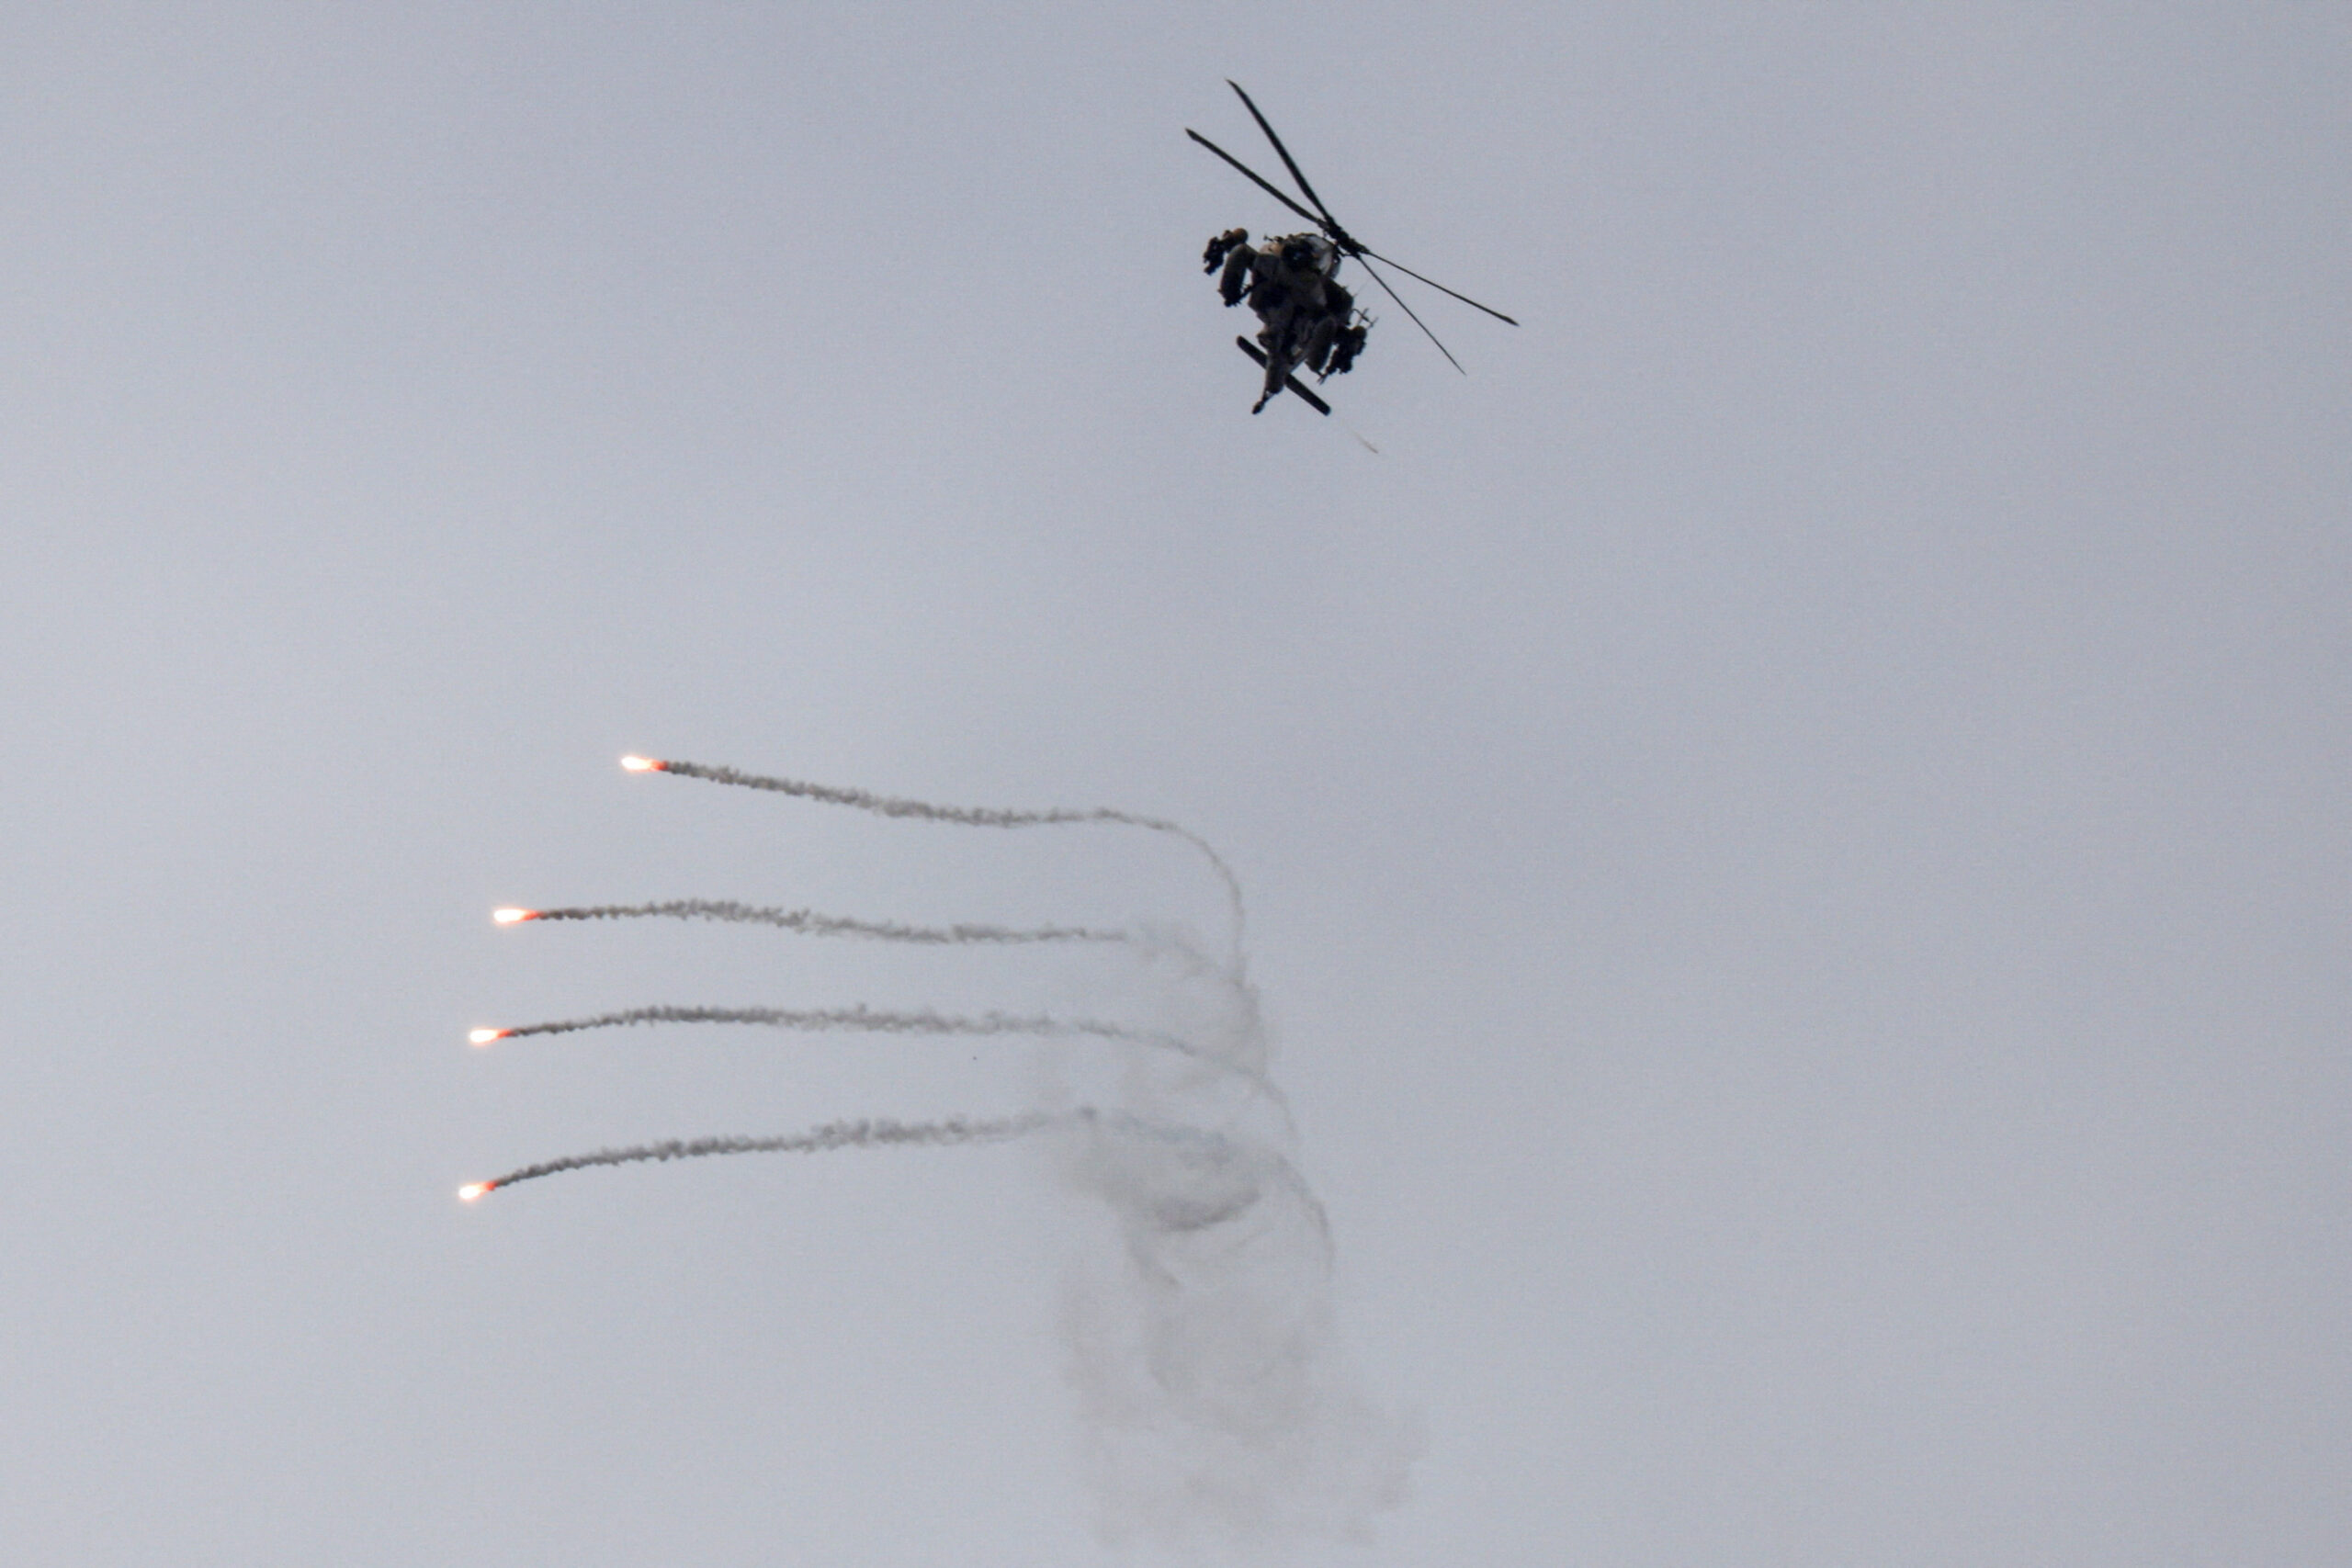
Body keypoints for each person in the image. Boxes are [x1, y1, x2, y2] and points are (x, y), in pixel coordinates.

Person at [1202, 230, 1363, 410]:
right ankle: (1231, 291)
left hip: (1291, 323)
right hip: (1274, 296)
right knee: (1241, 250)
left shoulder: (1320, 292)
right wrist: (1224, 246)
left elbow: (1339, 320)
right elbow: (1242, 250)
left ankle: (1310, 361)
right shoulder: (1273, 260)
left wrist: (1349, 345)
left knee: (1333, 314)